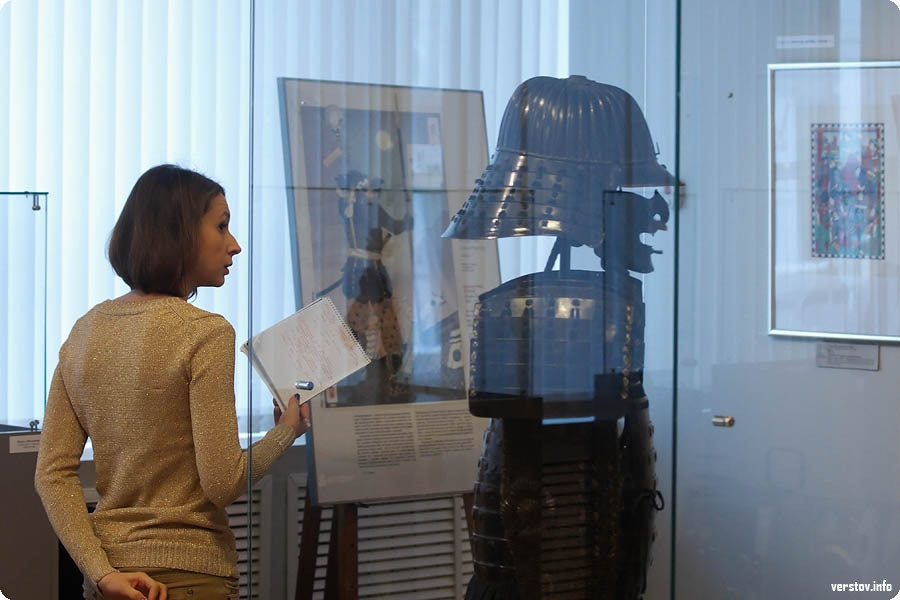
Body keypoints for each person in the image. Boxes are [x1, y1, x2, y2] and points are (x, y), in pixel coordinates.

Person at [34, 164, 309, 600]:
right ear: (179, 233)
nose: (235, 245)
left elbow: (52, 474)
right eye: (221, 226)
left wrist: (101, 573)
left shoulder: (84, 332)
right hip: (188, 578)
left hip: (109, 581)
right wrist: (286, 432)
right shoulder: (205, 333)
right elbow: (223, 482)